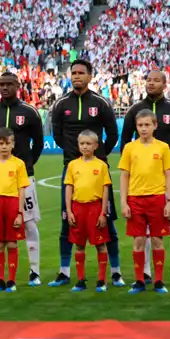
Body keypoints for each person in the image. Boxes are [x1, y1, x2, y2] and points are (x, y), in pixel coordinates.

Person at [120, 71, 170, 287]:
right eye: (148, 80)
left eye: (156, 80)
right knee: (143, 228)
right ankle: (146, 273)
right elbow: (125, 141)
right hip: (141, 184)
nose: (151, 83)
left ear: (165, 84)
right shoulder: (135, 111)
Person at [50, 60, 121, 287]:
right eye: (74, 73)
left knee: (107, 222)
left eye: (81, 73)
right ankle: (64, 272)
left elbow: (112, 134)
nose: (77, 76)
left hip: (98, 171)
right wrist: (75, 157)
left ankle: (116, 272)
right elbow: (58, 135)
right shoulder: (61, 104)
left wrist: (99, 156)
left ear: (90, 76)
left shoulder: (101, 103)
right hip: (71, 169)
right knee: (67, 221)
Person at [0, 72, 44, 287]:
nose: (5, 88)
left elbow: (39, 142)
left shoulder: (29, 112)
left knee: (28, 223)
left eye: (9, 84)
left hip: (24, 178)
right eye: (2, 84)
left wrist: (27, 166)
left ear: (18, 85)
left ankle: (34, 271)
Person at [119, 110, 170, 295]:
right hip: (135, 199)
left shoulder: (163, 147)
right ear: (136, 127)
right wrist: (124, 202)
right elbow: (124, 175)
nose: (143, 128)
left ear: (155, 126)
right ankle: (139, 281)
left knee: (158, 240)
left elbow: (168, 175)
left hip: (157, 198)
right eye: (140, 125)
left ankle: (158, 281)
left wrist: (169, 201)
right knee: (139, 240)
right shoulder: (129, 148)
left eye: (147, 125)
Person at [0, 128, 31, 293]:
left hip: (12, 204)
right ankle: (0, 280)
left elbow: (22, 189)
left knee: (11, 243)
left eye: (7, 143)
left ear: (13, 144)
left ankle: (12, 281)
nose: (4, 147)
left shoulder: (19, 164)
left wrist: (20, 213)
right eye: (1, 143)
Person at [64, 131, 112, 293]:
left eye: (88, 144)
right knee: (79, 245)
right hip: (78, 208)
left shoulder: (101, 165)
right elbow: (68, 188)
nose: (85, 146)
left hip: (95, 208)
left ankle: (101, 280)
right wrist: (69, 211)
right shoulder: (73, 165)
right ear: (78, 145)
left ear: (96, 146)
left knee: (100, 245)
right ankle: (80, 280)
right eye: (82, 143)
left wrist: (103, 213)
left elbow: (105, 190)